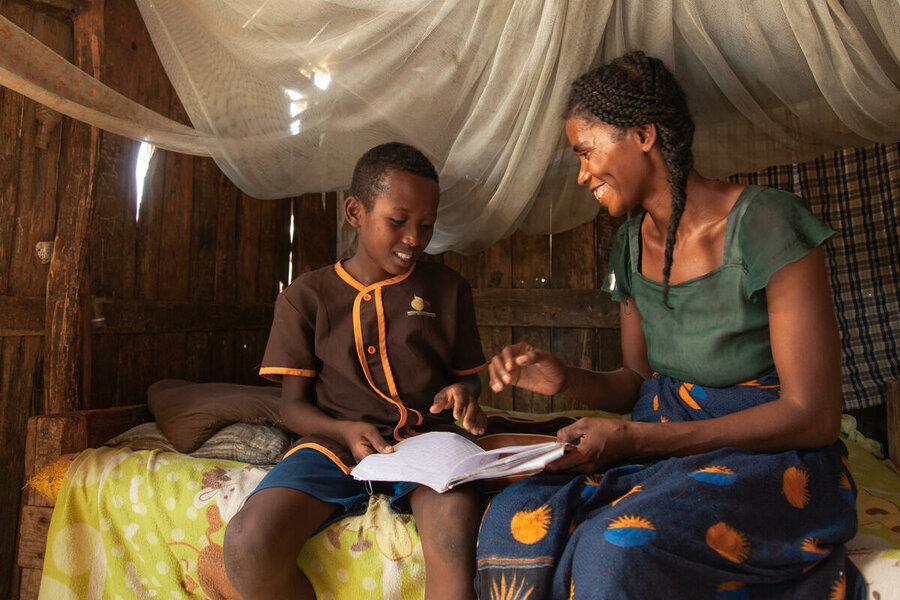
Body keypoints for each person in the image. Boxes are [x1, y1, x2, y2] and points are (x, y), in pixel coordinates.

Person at [475, 51, 865, 599]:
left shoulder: (766, 224)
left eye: (586, 152)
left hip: (768, 456)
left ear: (643, 135)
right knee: (516, 514)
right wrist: (566, 380)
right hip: (666, 443)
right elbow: (637, 380)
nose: (582, 173)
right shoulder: (629, 247)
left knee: (615, 546)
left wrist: (645, 439)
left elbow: (814, 416)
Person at [224, 142, 488, 600]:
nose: (414, 238)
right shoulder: (306, 297)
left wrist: (464, 394)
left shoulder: (448, 290)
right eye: (397, 221)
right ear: (355, 212)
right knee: (249, 543)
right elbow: (293, 408)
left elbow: (468, 379)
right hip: (331, 447)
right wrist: (343, 430)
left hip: (428, 441)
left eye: (426, 225)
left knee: (453, 530)